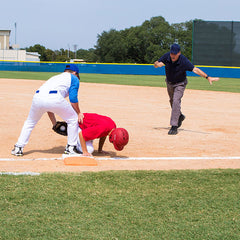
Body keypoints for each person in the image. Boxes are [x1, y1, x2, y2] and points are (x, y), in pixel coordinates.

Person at [11, 64, 84, 156]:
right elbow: (73, 99)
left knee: (30, 122)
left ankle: (18, 147)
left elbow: (48, 106)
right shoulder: (74, 78)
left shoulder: (55, 78)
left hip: (37, 97)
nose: (77, 77)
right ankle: (71, 148)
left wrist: (54, 123)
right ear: (75, 73)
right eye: (77, 75)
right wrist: (79, 113)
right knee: (73, 119)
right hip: (54, 98)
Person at [154, 43, 220, 135]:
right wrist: (156, 64)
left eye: (175, 54)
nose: (173, 55)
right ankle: (179, 116)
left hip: (180, 83)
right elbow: (158, 63)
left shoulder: (183, 60)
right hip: (169, 83)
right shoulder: (166, 56)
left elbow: (195, 69)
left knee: (176, 101)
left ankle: (174, 126)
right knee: (172, 101)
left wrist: (207, 77)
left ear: (179, 53)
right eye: (172, 53)